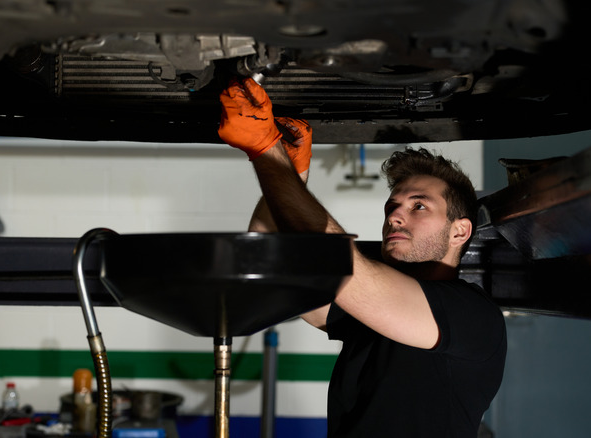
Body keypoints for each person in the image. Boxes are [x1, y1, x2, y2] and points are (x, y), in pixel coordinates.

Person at [217, 77, 507, 437]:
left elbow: (341, 266)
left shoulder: (472, 318)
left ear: (460, 231)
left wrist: (268, 153)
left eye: (419, 206)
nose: (395, 216)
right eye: (393, 206)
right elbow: (266, 264)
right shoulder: (370, 319)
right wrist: (293, 171)